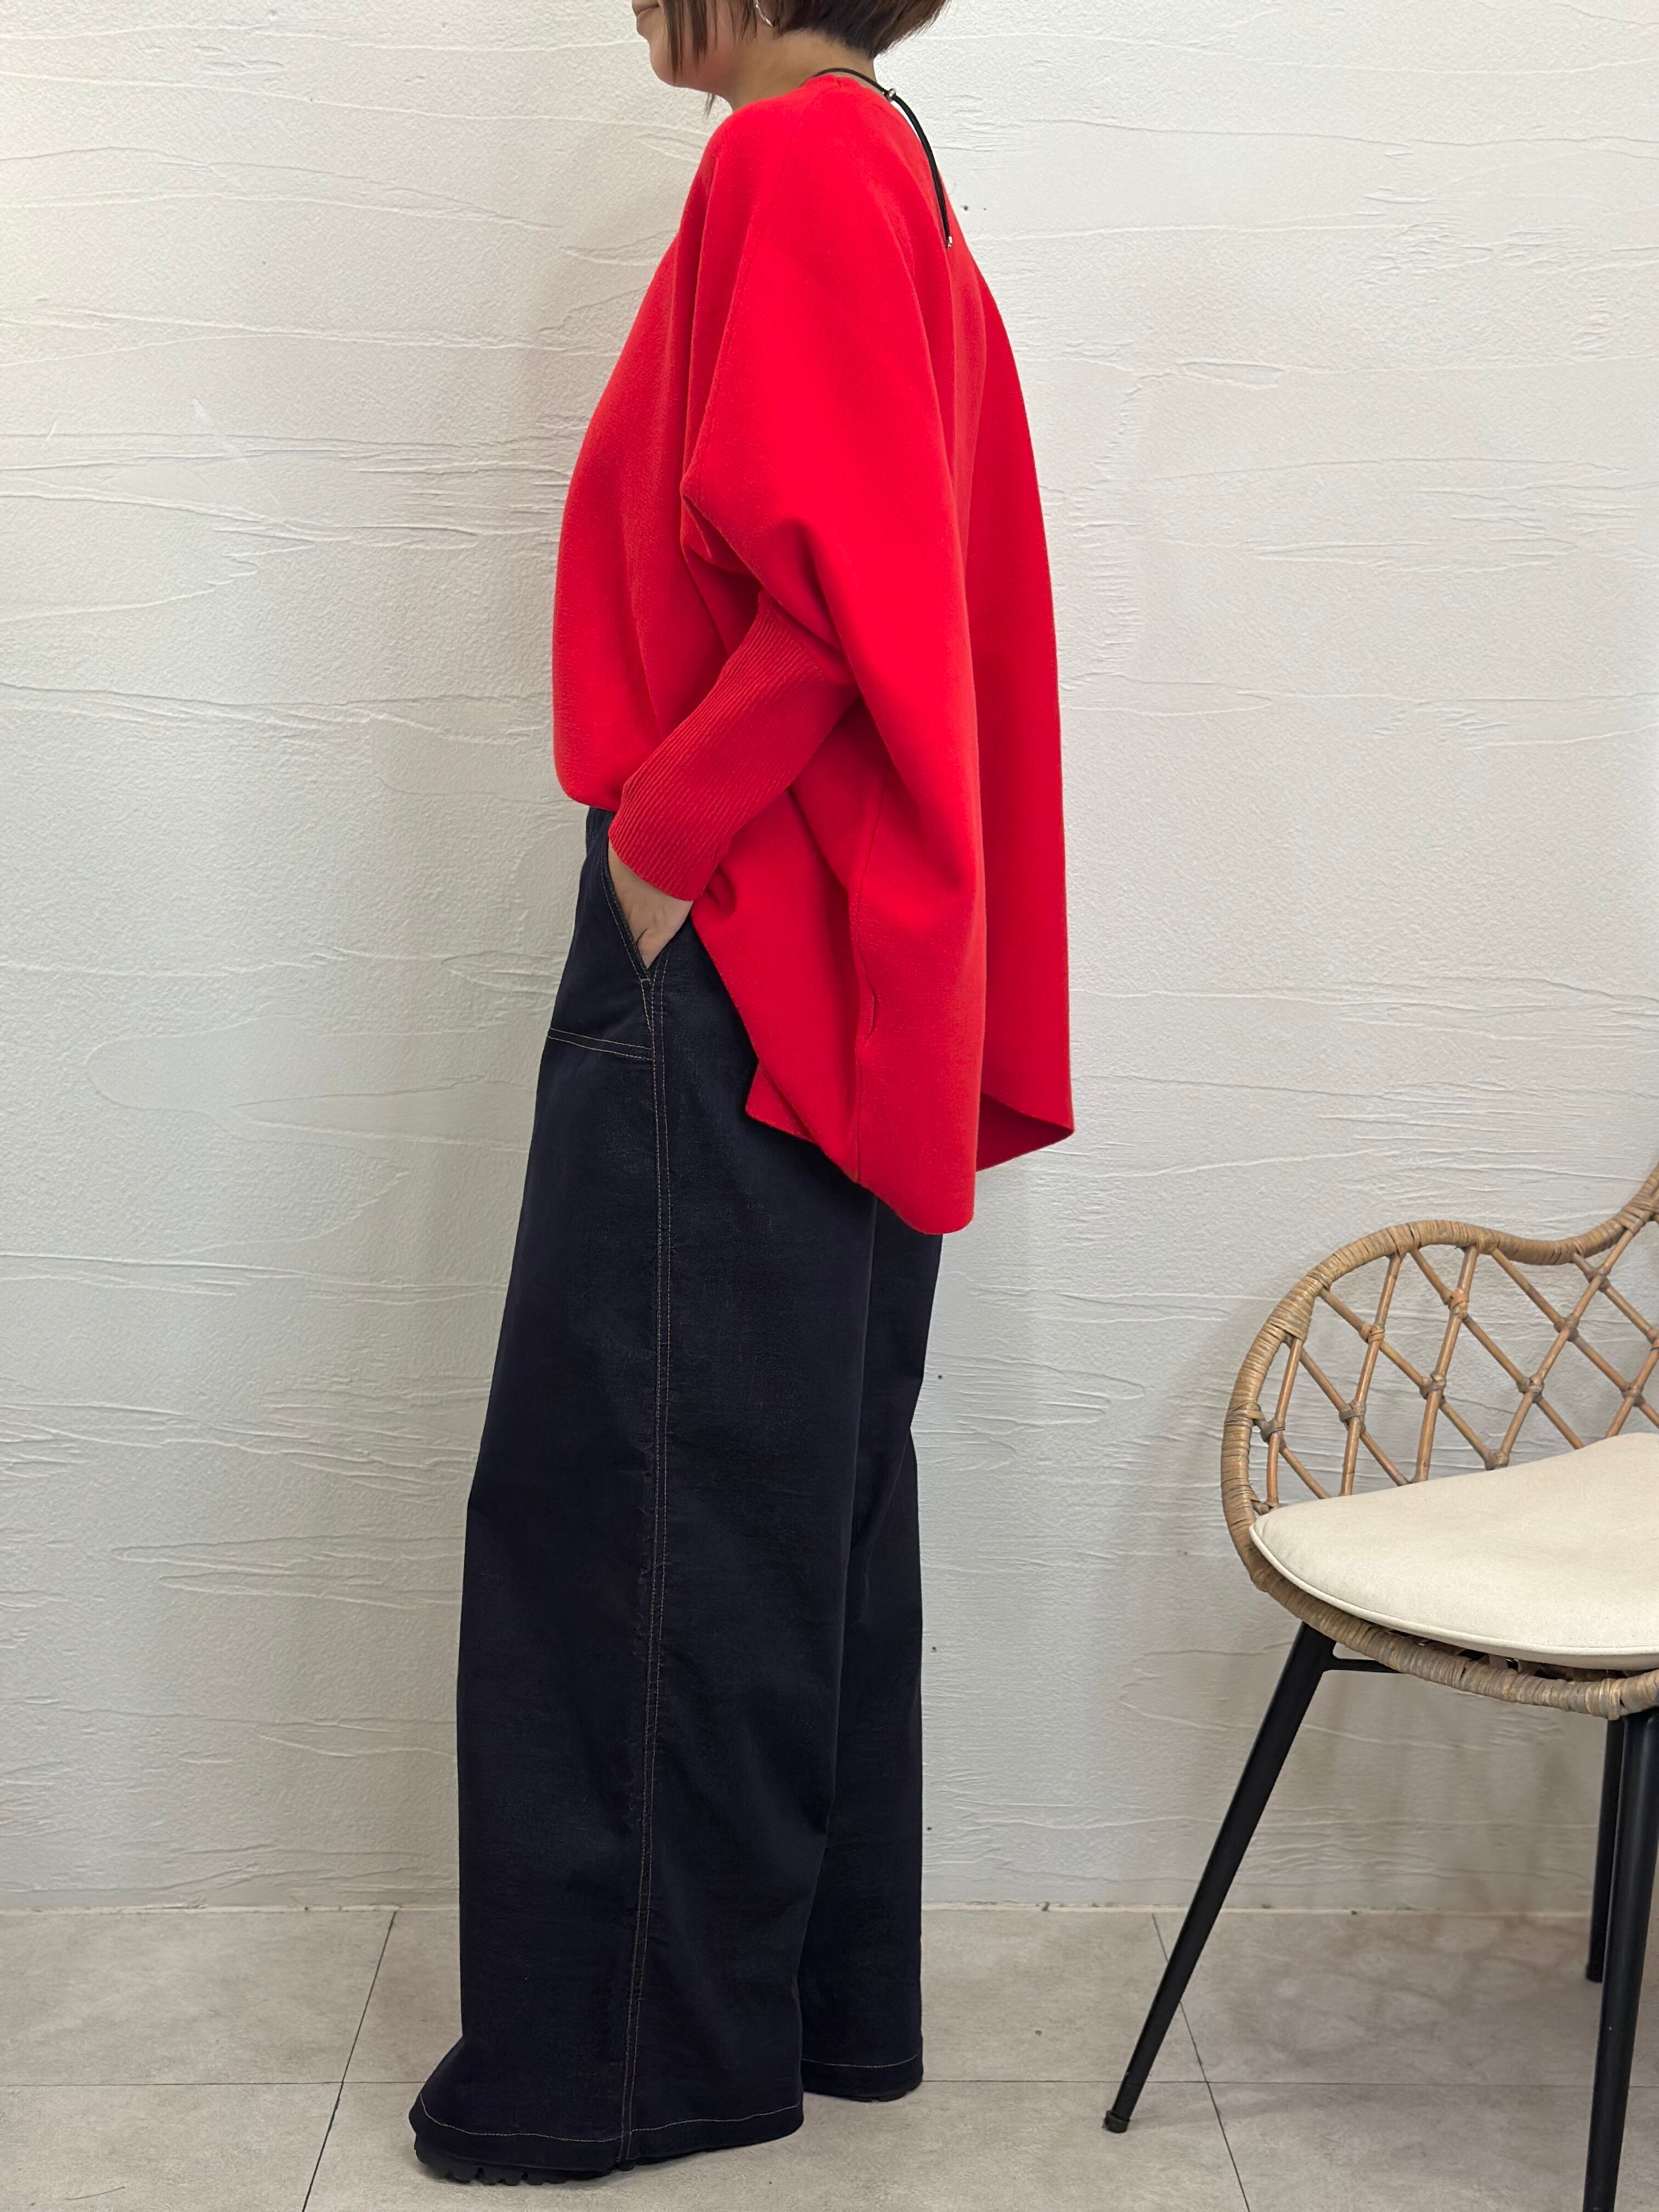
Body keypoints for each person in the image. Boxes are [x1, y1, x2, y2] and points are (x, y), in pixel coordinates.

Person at [409, 0, 1073, 2182]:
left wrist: (664, 847)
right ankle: (809, 2012)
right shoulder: (894, 166)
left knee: (632, 1493)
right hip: (827, 961)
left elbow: (836, 597)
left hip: (744, 944)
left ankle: (628, 2067)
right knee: (791, 1492)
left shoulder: (793, 161)